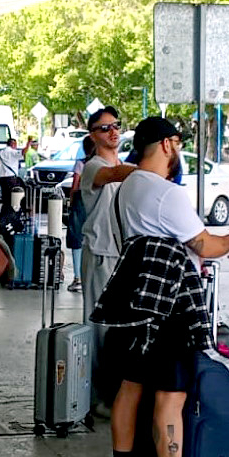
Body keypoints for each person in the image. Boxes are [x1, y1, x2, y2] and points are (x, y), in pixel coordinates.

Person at [91, 116, 229, 457]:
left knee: (130, 387)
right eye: (176, 142)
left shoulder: (128, 188)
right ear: (166, 144)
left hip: (135, 301)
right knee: (170, 397)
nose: (177, 150)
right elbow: (203, 243)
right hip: (170, 306)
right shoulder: (166, 193)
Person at [79, 106, 137, 413]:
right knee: (99, 327)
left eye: (116, 126)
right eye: (105, 128)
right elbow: (112, 174)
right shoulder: (94, 167)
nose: (113, 132)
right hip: (101, 253)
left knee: (122, 327)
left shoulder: (127, 167)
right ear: (93, 135)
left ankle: (115, 390)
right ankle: (98, 396)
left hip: (124, 254)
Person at [65, 136, 94, 293]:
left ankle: (78, 278)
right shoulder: (100, 164)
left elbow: (75, 185)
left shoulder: (81, 163)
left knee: (76, 238)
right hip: (96, 203)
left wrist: (71, 200)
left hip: (80, 202)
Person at [0, 138, 24, 204]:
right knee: (13, 198)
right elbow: (22, 153)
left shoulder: (0, 153)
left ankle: (5, 211)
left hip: (2, 178)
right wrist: (28, 144)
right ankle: (12, 212)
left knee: (5, 197)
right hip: (11, 178)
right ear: (13, 144)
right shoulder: (12, 152)